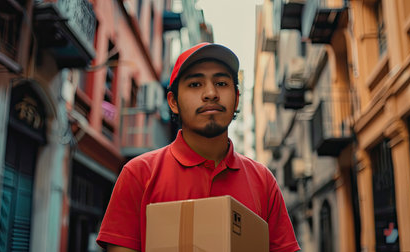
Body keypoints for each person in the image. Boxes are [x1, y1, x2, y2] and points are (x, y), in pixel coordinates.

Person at [97, 43, 300, 252]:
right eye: (195, 84)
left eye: (221, 83)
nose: (211, 93)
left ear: (237, 98)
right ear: (173, 101)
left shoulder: (263, 181)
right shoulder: (138, 174)